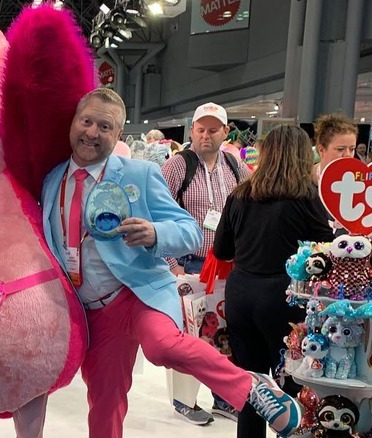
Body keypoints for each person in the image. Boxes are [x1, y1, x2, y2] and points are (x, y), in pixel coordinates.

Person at [40, 87, 301, 438]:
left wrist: (155, 234)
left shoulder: (140, 174)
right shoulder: (51, 180)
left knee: (162, 345)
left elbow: (190, 232)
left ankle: (251, 387)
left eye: (105, 126)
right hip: (92, 310)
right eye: (87, 121)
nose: (92, 132)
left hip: (138, 292)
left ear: (118, 135)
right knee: (104, 400)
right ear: (73, 122)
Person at [213, 125, 334, 438]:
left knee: (252, 387)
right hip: (285, 299)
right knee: (293, 385)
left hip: (241, 294)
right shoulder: (306, 197)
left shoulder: (239, 195)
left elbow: (222, 250)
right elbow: (326, 252)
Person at [161, 102, 251, 425]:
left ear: (226, 133)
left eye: (213, 129)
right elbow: (157, 214)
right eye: (200, 129)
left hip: (224, 265)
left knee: (220, 331)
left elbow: (247, 209)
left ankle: (222, 396)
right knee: (188, 333)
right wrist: (172, 265)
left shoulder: (234, 166)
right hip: (187, 263)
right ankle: (184, 399)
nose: (205, 135)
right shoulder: (177, 166)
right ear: (192, 131)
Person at [311, 113, 358, 236]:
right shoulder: (304, 182)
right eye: (340, 149)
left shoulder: (361, 183)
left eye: (352, 149)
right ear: (321, 150)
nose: (348, 154)